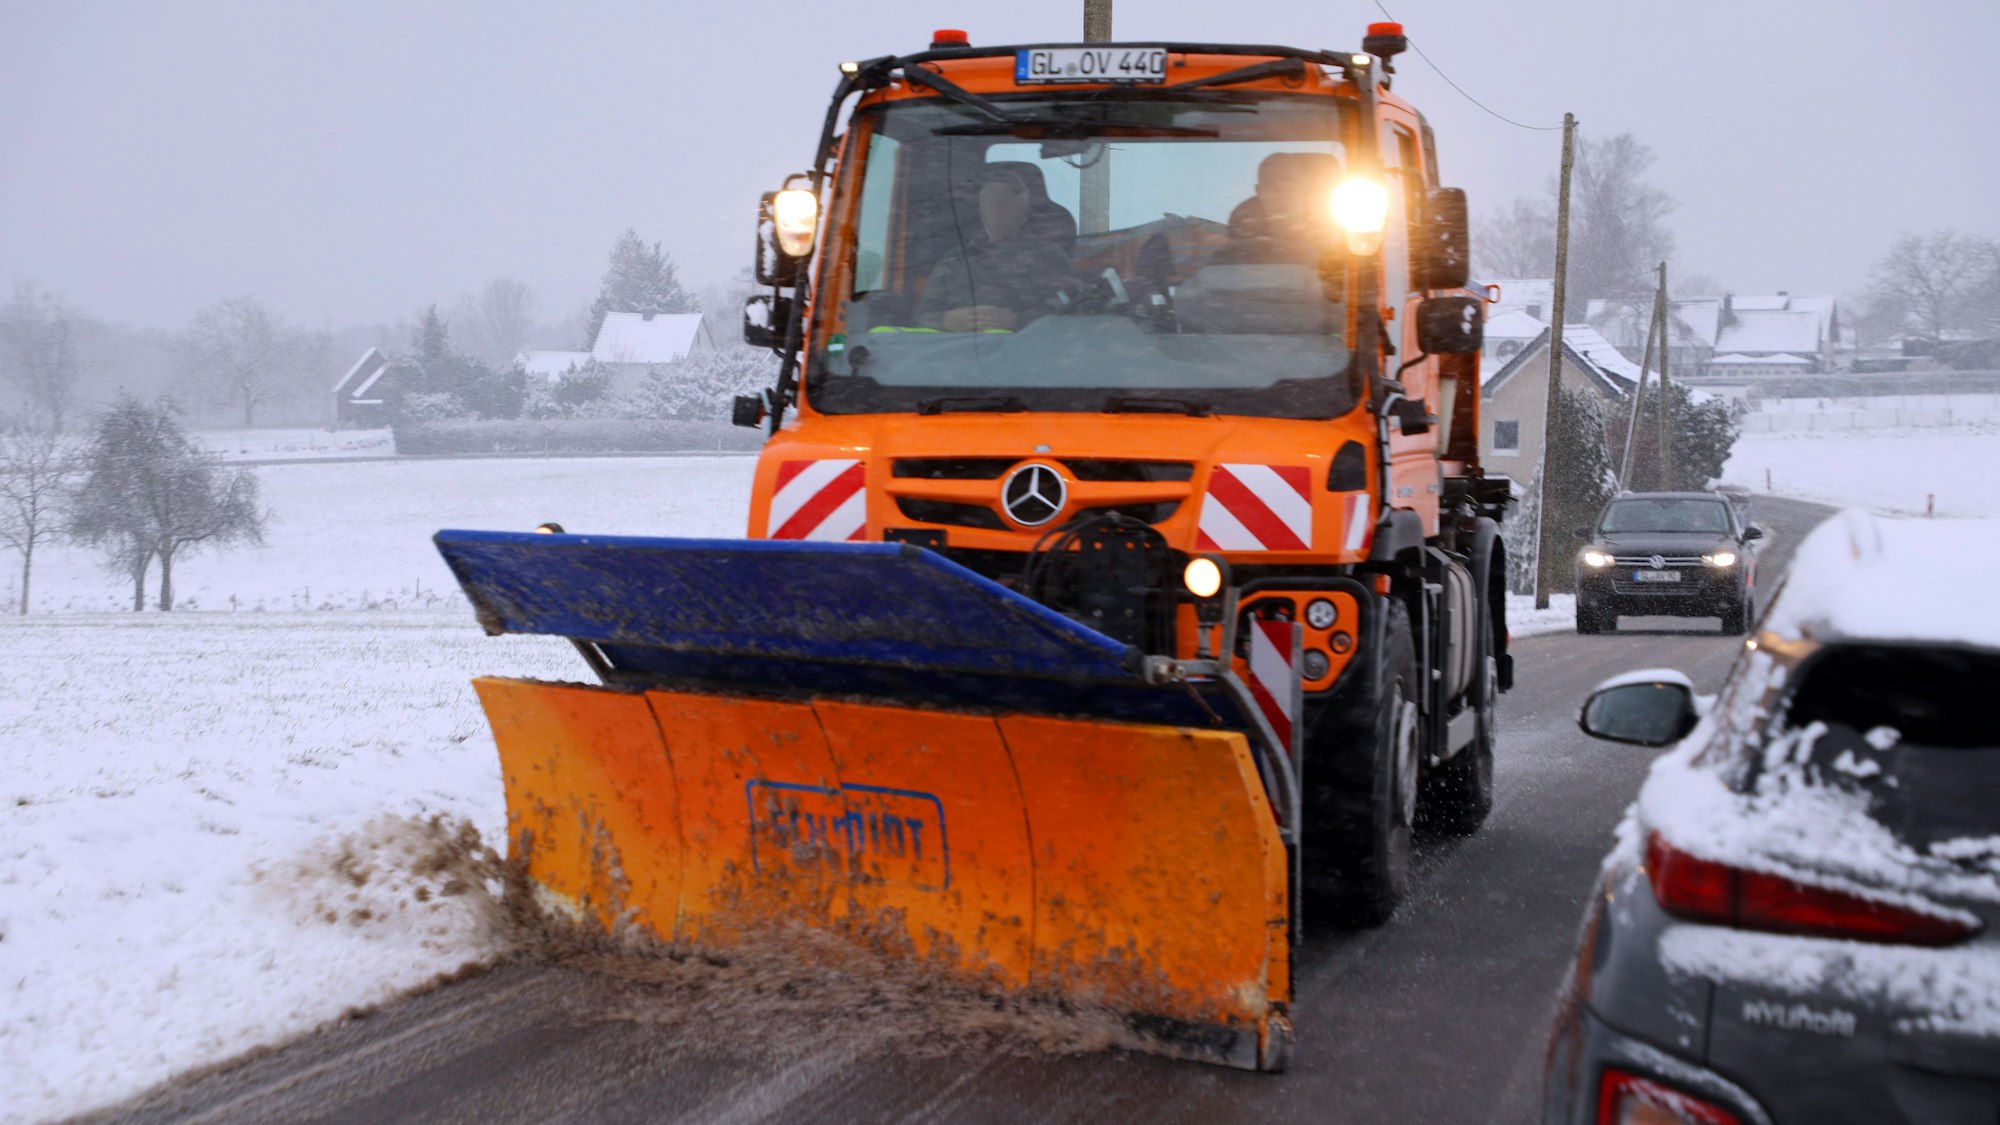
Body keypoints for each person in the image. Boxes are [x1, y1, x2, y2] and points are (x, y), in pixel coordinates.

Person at [917, 171, 1073, 332]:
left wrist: (1018, 320)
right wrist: (946, 321)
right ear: (981, 210)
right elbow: (921, 317)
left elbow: (1068, 312)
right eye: (992, 204)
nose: (998, 212)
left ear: (1024, 214)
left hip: (1027, 349)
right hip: (960, 350)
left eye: (1007, 205)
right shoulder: (955, 259)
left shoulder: (1049, 256)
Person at [1210, 152, 1342, 266]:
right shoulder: (1230, 256)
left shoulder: (1336, 244)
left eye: (1289, 183)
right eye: (1272, 184)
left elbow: (1342, 289)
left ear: (1304, 188)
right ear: (1259, 191)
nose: (1282, 192)